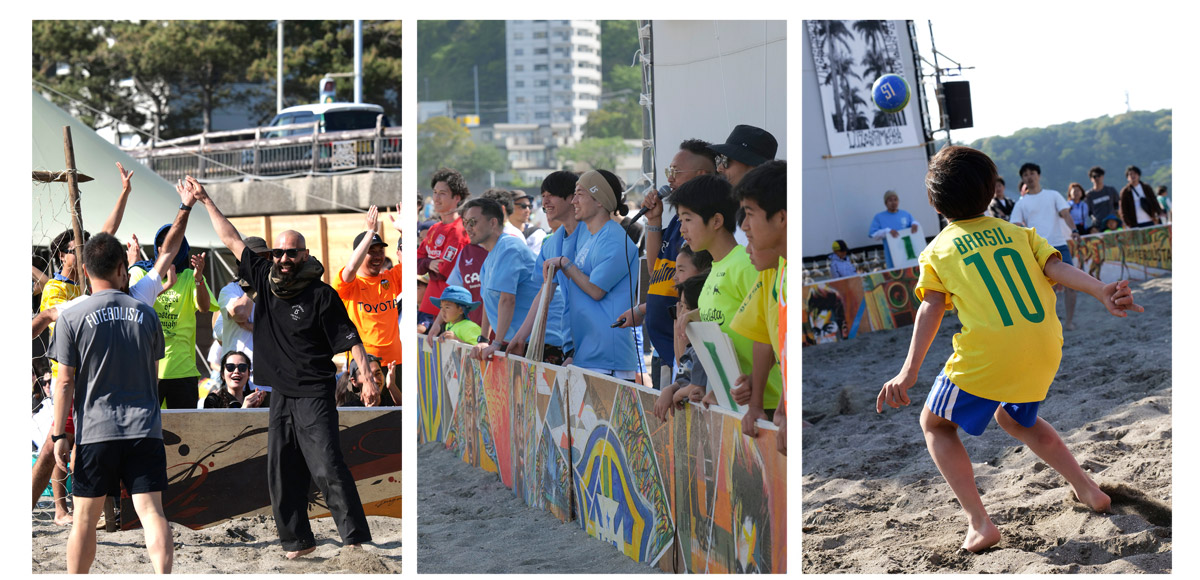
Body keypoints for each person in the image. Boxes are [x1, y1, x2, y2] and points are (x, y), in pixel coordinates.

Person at [877, 145, 1144, 553]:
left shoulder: (938, 250)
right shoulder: (1018, 233)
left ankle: (980, 523)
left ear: (934, 201)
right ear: (990, 191)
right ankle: (1088, 489)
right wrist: (1100, 290)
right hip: (1044, 345)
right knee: (1016, 419)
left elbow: (930, 308)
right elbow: (1056, 268)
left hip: (989, 353)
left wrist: (909, 371)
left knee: (934, 424)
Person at [186, 176, 378, 559]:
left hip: (314, 392)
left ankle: (355, 539)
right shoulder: (264, 280)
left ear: (305, 255)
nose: (284, 260)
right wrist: (205, 199)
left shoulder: (321, 295)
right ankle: (298, 543)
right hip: (279, 394)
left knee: (326, 466)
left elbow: (350, 337)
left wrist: (368, 377)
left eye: (292, 253)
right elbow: (232, 240)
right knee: (281, 472)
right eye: (279, 253)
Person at [48, 232, 174, 573]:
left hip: (95, 431)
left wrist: (60, 435)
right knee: (152, 513)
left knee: (85, 520)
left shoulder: (71, 318)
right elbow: (153, 369)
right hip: (144, 427)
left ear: (86, 270)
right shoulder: (146, 315)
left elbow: (64, 382)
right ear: (123, 268)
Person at [671, 174, 782, 422]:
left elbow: (771, 329)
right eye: (680, 220)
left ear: (717, 220)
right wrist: (713, 389)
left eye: (688, 219)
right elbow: (732, 317)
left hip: (767, 403)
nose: (682, 229)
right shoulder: (713, 273)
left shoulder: (746, 265)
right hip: (737, 401)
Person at [628, 139, 718, 384]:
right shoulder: (678, 222)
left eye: (676, 172)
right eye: (669, 171)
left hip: (686, 348)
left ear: (701, 175)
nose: (670, 179)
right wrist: (654, 220)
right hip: (664, 349)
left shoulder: (701, 226)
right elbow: (656, 271)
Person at [543, 170, 641, 379]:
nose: (574, 201)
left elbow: (596, 290)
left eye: (580, 194)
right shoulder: (592, 238)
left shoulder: (615, 239)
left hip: (609, 361)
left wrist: (565, 263)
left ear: (599, 200)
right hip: (589, 357)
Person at [128, 219, 218, 409]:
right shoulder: (140, 272)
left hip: (183, 371)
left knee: (186, 432)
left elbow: (203, 307)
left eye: (173, 245)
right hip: (149, 371)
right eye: (162, 244)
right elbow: (132, 308)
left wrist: (199, 279)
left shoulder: (189, 276)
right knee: (148, 432)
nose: (166, 250)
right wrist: (166, 285)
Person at [730, 160, 788, 442]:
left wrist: (785, 408)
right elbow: (767, 340)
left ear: (781, 217)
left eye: (750, 214)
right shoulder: (773, 272)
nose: (744, 226)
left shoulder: (786, 271)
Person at [506, 171, 581, 366]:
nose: (545, 202)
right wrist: (521, 336)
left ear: (572, 197)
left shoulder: (594, 237)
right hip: (569, 340)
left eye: (551, 195)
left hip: (597, 344)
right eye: (543, 196)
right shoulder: (550, 244)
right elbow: (544, 292)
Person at [461, 197, 540, 361]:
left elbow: (507, 300)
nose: (468, 228)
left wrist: (496, 343)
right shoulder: (490, 257)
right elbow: (489, 304)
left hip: (540, 342)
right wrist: (483, 339)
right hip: (519, 342)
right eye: (466, 222)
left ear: (493, 223)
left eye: (473, 222)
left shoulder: (508, 246)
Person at [1010, 162, 1080, 330]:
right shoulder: (1021, 203)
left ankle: (1069, 322)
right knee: (1047, 290)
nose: (1029, 177)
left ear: (1038, 175)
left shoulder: (1053, 195)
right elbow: (1016, 225)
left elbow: (1065, 214)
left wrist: (1074, 230)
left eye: (1032, 173)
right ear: (1023, 179)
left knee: (1071, 285)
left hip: (1059, 245)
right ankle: (1052, 323)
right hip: (1037, 250)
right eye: (1025, 174)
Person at [334, 205, 403, 376]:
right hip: (363, 366)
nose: (378, 256)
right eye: (371, 252)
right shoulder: (348, 284)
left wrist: (405, 232)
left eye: (381, 251)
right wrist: (370, 232)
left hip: (396, 363)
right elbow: (351, 268)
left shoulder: (391, 278)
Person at [417, 168, 470, 332]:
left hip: (453, 310)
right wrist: (428, 263)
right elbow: (416, 263)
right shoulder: (434, 228)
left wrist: (427, 265)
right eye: (434, 192)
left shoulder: (459, 230)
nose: (436, 198)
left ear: (457, 198)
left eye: (443, 193)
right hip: (433, 306)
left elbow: (444, 269)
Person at [651, 273, 709, 421]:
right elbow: (685, 378)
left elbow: (694, 386)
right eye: (680, 307)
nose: (681, 314)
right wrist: (671, 388)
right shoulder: (692, 349)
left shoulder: (703, 351)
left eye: (686, 308)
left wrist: (678, 393)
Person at [869, 190, 921, 269]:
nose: (893, 202)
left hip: (909, 254)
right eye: (890, 200)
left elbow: (914, 225)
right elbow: (873, 235)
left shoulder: (905, 214)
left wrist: (915, 224)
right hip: (892, 255)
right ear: (885, 203)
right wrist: (887, 231)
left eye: (895, 199)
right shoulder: (879, 217)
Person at [510, 189, 547, 255]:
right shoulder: (499, 234)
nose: (528, 210)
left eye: (529, 206)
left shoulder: (537, 234)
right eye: (523, 206)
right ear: (509, 207)